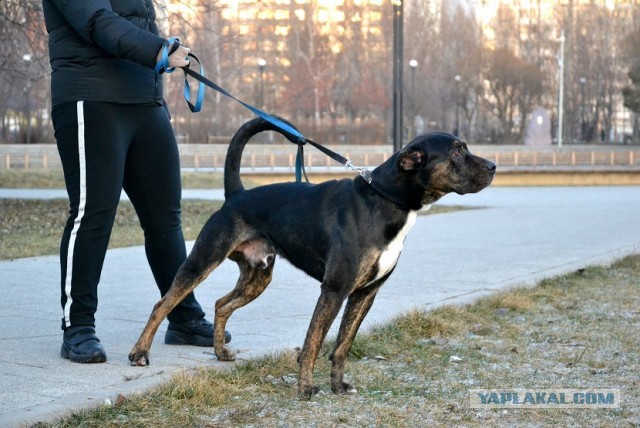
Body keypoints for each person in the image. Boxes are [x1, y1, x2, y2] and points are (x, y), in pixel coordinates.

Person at [42, 0, 229, 363]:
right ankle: (77, 326)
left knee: (165, 216)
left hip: (144, 99)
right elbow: (97, 21)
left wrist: (167, 53)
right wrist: (160, 50)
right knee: (92, 213)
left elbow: (138, 22)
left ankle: (183, 315)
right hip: (89, 93)